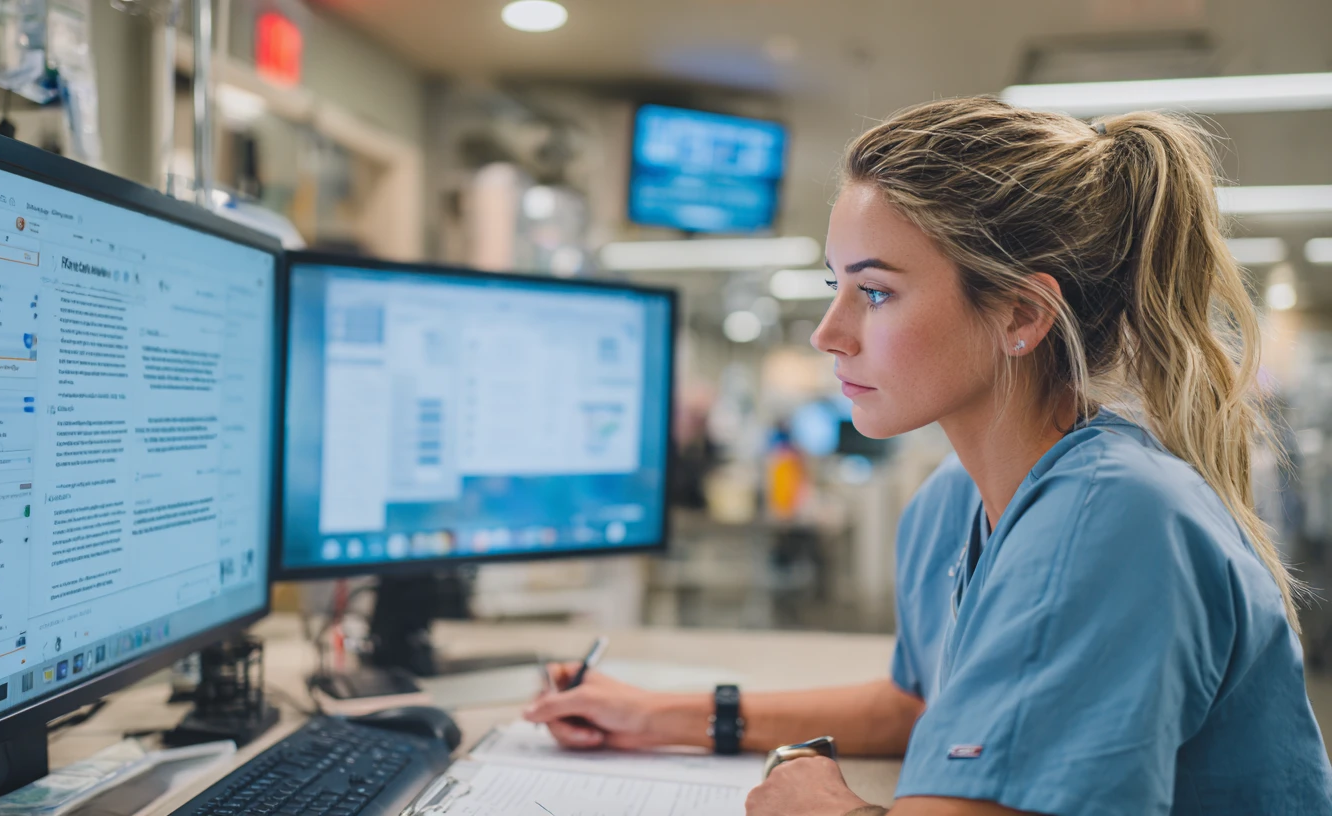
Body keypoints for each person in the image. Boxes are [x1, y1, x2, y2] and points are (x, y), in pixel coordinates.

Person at [524, 97, 1332, 815]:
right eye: (835, 286)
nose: (827, 332)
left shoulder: (1113, 517)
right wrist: (658, 715)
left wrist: (818, 806)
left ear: (1021, 313)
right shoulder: (958, 499)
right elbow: (922, 707)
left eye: (873, 293)